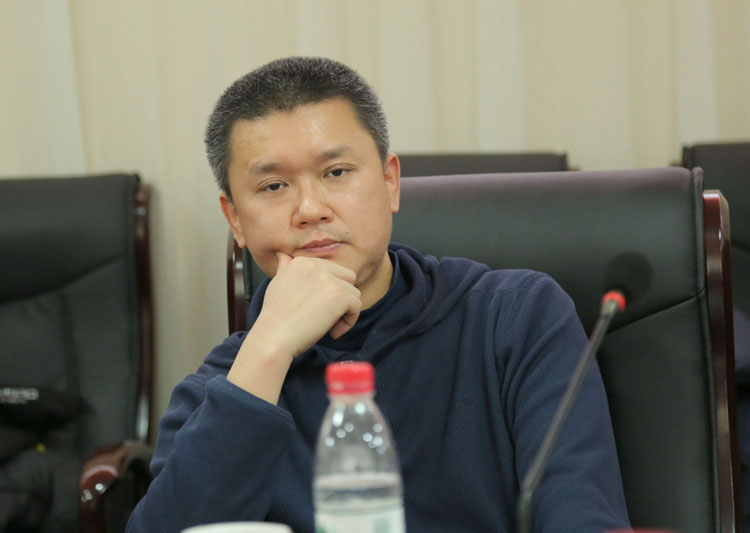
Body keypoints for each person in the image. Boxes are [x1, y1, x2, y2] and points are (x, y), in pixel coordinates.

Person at [127, 57, 630, 532]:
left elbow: (582, 517)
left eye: (336, 172)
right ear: (235, 219)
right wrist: (268, 352)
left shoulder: (516, 318)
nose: (310, 209)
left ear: (390, 182)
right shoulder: (221, 388)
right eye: (274, 186)